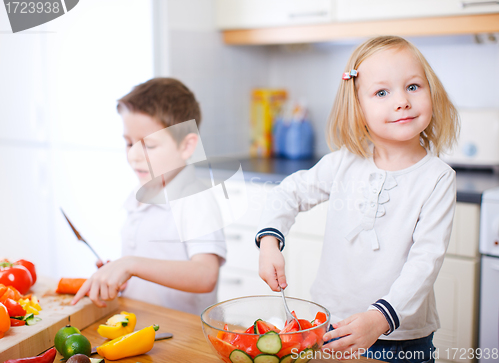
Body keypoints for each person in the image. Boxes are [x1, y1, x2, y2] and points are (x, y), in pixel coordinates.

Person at [256, 36, 459, 363]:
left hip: (400, 340)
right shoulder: (345, 162)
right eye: (382, 92)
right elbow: (288, 193)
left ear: (431, 92)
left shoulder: (436, 178)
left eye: (413, 86)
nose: (402, 102)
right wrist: (268, 242)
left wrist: (379, 319)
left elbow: (425, 262)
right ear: (358, 107)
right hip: (331, 328)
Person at [72, 78, 226, 315]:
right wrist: (122, 273)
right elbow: (148, 263)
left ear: (186, 146)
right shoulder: (141, 193)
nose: (134, 156)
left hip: (185, 336)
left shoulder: (196, 199)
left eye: (149, 145)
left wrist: (132, 264)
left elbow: (205, 275)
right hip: (144, 324)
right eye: (129, 143)